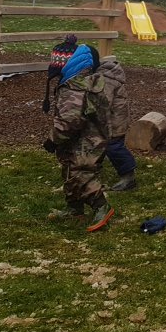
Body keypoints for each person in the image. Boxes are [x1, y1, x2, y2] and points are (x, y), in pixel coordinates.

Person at [43, 44, 114, 232]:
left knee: (81, 173)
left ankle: (101, 206)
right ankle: (74, 208)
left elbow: (70, 120)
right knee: (69, 172)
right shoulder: (78, 83)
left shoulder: (76, 88)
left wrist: (53, 139)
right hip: (80, 139)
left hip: (86, 141)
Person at [95, 54, 138, 192]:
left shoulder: (106, 79)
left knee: (114, 147)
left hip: (113, 122)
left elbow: (103, 102)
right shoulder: (106, 76)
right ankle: (91, 172)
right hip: (111, 120)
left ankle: (128, 175)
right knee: (98, 146)